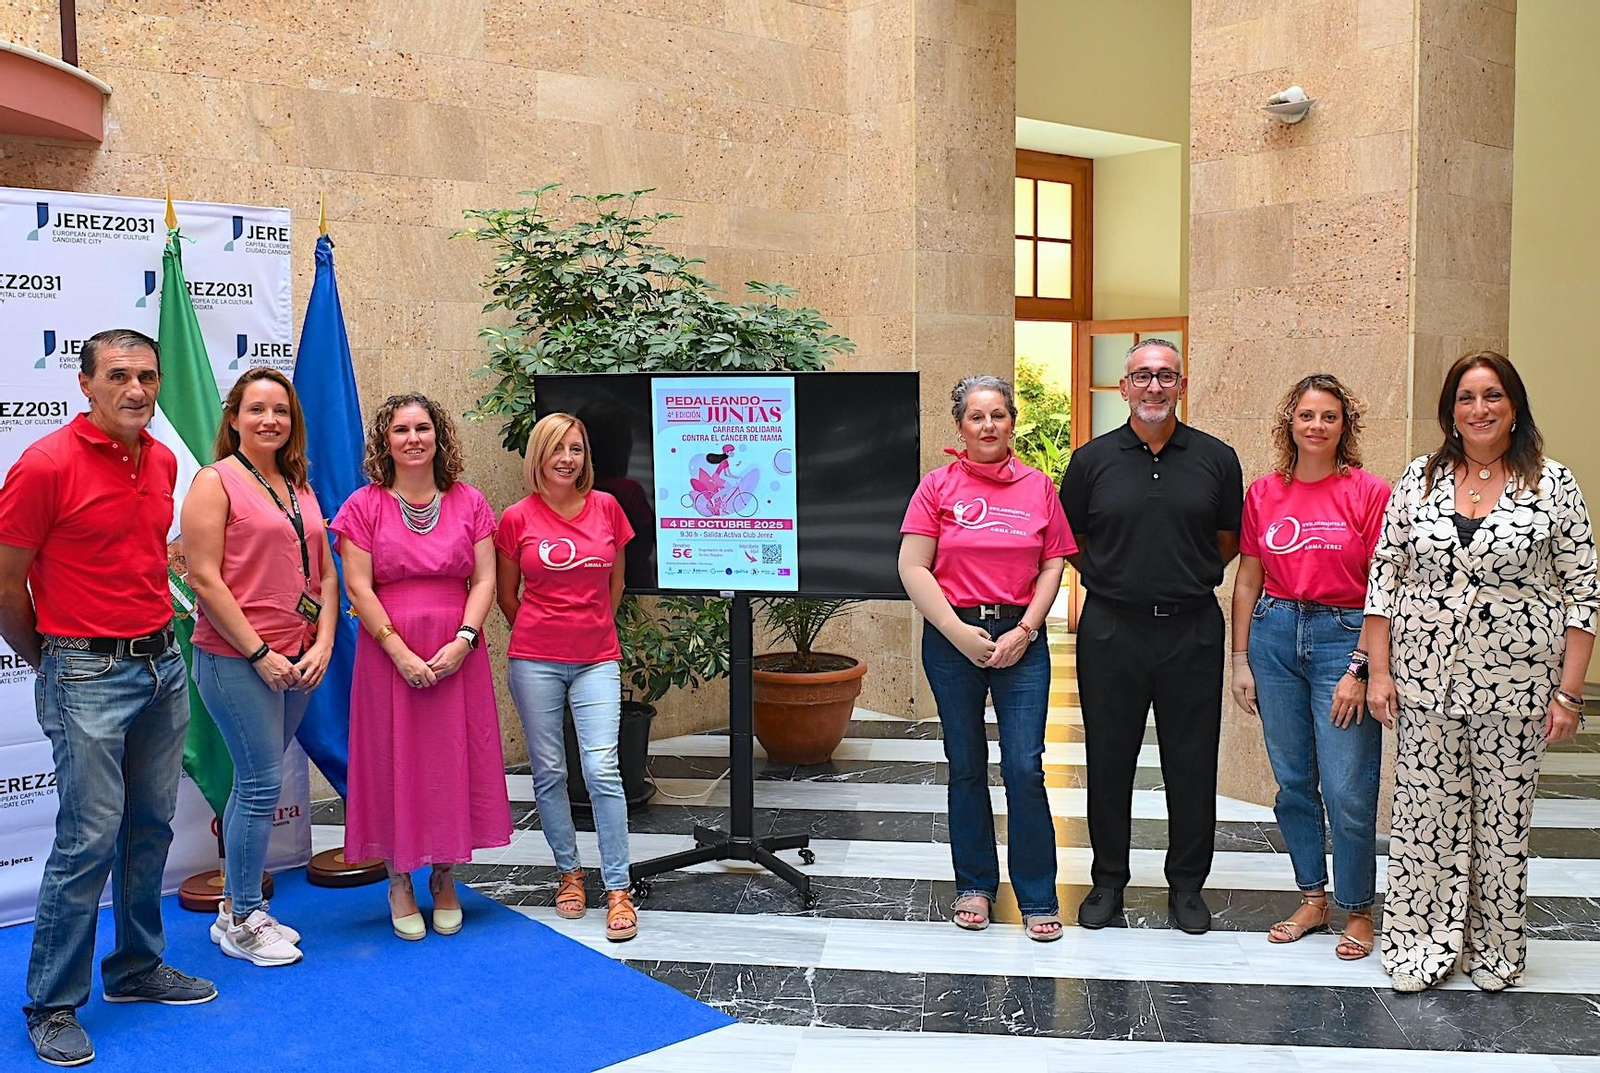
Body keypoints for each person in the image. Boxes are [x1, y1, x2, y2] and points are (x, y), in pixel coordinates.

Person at [0, 329, 217, 1068]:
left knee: (149, 826)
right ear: (85, 384)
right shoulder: (45, 464)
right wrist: (55, 660)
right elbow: (6, 585)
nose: (136, 389)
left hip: (161, 664)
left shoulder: (161, 459)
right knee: (88, 837)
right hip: (84, 672)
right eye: (119, 375)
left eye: (147, 376)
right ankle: (52, 1003)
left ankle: (136, 967)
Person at [1365, 351, 1596, 993]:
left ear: (1514, 406)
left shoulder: (1553, 483)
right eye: (1466, 398)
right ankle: (1419, 946)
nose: (1479, 409)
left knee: (1502, 822)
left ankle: (1495, 949)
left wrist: (1569, 693)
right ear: (1450, 411)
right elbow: (1385, 574)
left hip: (1517, 684)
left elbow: (1583, 590)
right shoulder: (1419, 479)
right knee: (1423, 819)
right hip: (1425, 679)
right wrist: (1378, 671)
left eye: (1492, 395)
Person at [1058, 338, 1243, 935]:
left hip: (1192, 628)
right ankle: (1108, 880)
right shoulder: (1091, 461)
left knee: (1192, 761)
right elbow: (1071, 540)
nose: (1154, 386)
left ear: (1182, 386)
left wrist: (1181, 576)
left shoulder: (1217, 459)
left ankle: (1187, 886)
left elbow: (1228, 540)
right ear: (1124, 387)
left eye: (1166, 376)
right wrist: (1116, 578)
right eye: (1142, 376)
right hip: (1112, 628)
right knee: (1109, 758)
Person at [899, 375, 1072, 941]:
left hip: (1022, 637)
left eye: (998, 414)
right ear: (960, 427)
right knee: (966, 762)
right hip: (953, 636)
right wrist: (956, 631)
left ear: (1012, 422)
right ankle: (974, 884)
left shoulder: (1038, 486)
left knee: (1024, 766)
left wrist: (1026, 629)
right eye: (976, 416)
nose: (988, 425)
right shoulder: (936, 486)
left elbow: (1053, 563)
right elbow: (912, 566)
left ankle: (1038, 895)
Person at [332, 393, 511, 940]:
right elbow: (358, 587)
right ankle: (399, 881)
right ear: (384, 442)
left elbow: (484, 579)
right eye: (401, 430)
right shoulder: (363, 505)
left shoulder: (470, 502)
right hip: (387, 654)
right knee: (392, 760)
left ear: (439, 436)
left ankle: (444, 876)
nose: (413, 438)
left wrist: (464, 640)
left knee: (449, 761)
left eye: (422, 428)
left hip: (457, 653)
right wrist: (399, 651)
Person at [1228, 374, 1390, 960]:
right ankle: (1312, 898)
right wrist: (1240, 659)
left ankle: (1358, 909)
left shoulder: (1370, 493)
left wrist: (1360, 667)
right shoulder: (1263, 493)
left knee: (1347, 787)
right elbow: (1247, 579)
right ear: (1289, 423)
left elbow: (1384, 589)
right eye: (1306, 415)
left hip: (1342, 639)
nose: (1317, 426)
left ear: (1345, 426)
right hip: (1273, 635)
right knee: (1294, 783)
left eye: (1329, 416)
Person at [182, 368, 341, 967]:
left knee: (257, 782)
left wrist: (323, 643)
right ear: (234, 418)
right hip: (238, 660)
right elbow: (203, 578)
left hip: (298, 658)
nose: (270, 420)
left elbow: (325, 574)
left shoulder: (298, 484)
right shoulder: (215, 481)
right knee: (257, 785)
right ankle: (244, 918)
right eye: (257, 409)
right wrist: (258, 653)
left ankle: (237, 910)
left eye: (280, 410)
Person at [497, 413, 639, 942]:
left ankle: (619, 887)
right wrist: (544, 633)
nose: (567, 459)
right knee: (549, 771)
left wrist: (590, 628)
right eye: (557, 448)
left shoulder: (608, 507)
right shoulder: (516, 518)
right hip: (534, 660)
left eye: (576, 449)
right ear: (539, 455)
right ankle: (569, 874)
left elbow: (617, 583)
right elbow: (507, 595)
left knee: (602, 770)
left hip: (597, 659)